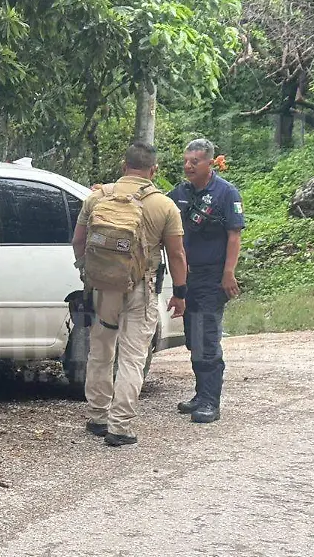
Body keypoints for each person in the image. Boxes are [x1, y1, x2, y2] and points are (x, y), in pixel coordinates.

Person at [72, 142, 188, 447]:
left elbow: (78, 241)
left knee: (101, 350)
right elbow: (176, 254)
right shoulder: (164, 206)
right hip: (142, 288)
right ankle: (119, 427)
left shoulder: (97, 197)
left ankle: (98, 416)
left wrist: (88, 272)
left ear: (124, 166)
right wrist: (180, 293)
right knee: (133, 356)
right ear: (154, 171)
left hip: (103, 288)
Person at [167, 138, 245, 424]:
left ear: (209, 163)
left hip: (212, 276)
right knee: (193, 337)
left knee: (207, 338)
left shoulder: (226, 193)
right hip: (187, 276)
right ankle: (201, 394)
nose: (188, 166)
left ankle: (211, 402)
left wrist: (228, 273)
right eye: (186, 161)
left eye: (194, 162)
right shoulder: (181, 192)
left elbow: (234, 236)